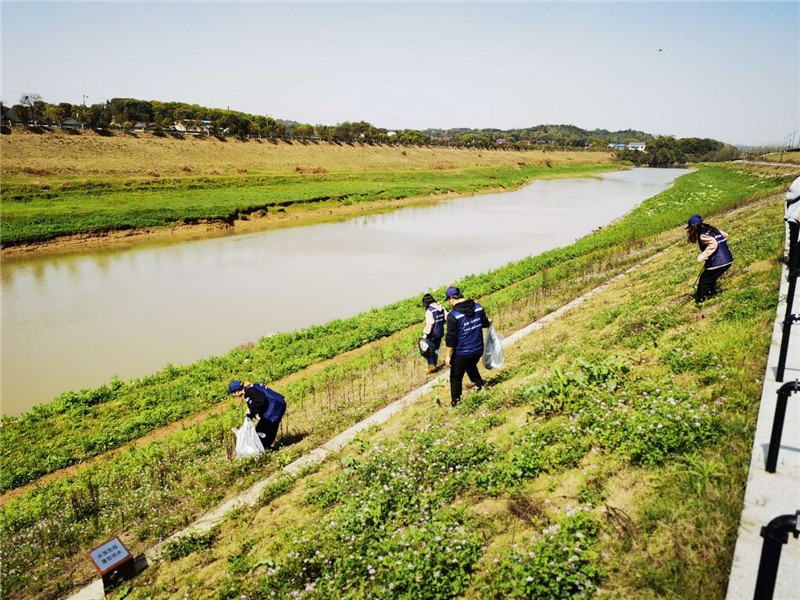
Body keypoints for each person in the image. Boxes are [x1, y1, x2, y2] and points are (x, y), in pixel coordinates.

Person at [443, 286, 490, 406]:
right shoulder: (478, 307)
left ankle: (456, 403)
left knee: (455, 377)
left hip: (462, 353)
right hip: (478, 349)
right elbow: (485, 323)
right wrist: (489, 321)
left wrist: (448, 356)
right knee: (470, 366)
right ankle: (480, 387)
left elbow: (451, 338)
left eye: (448, 301)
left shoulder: (453, 315)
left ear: (451, 299)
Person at [686, 214, 733, 304]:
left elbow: (713, 244)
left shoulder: (702, 235)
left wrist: (702, 256)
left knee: (704, 281)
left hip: (718, 262)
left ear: (694, 227)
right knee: (710, 279)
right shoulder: (713, 230)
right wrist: (721, 246)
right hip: (728, 259)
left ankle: (700, 301)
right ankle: (711, 294)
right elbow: (725, 235)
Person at [228, 380, 286, 450]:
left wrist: (251, 411)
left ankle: (264, 449)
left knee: (262, 431)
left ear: (236, 391)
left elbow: (261, 400)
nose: (234, 395)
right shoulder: (250, 388)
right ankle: (267, 448)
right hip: (276, 405)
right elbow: (258, 402)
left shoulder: (250, 391)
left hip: (274, 408)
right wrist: (253, 413)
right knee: (267, 430)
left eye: (233, 393)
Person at [421, 292, 447, 373]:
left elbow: (430, 323)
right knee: (436, 350)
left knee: (428, 351)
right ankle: (434, 365)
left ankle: (431, 367)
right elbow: (446, 317)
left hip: (432, 334)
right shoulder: (441, 307)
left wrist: (425, 334)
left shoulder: (429, 310)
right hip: (440, 332)